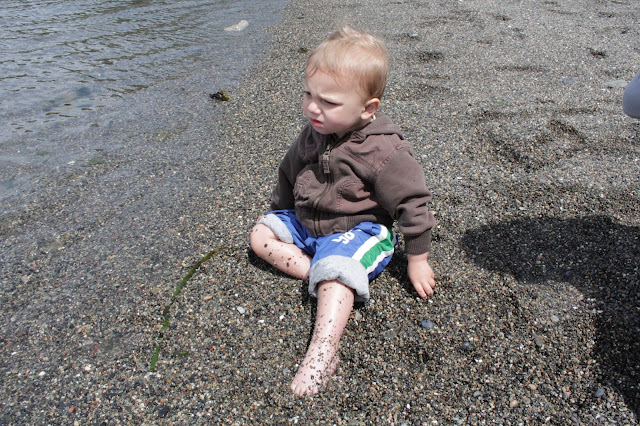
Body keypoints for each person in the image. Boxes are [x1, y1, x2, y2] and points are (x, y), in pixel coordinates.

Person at [249, 27, 437, 397]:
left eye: (329, 102)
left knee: (338, 272)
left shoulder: (384, 151)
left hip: (359, 231)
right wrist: (279, 213)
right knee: (260, 234)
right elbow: (288, 173)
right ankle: (314, 272)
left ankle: (323, 350)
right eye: (308, 94)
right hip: (310, 222)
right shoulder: (312, 133)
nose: (312, 108)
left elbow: (413, 202)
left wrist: (418, 260)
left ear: (368, 108)